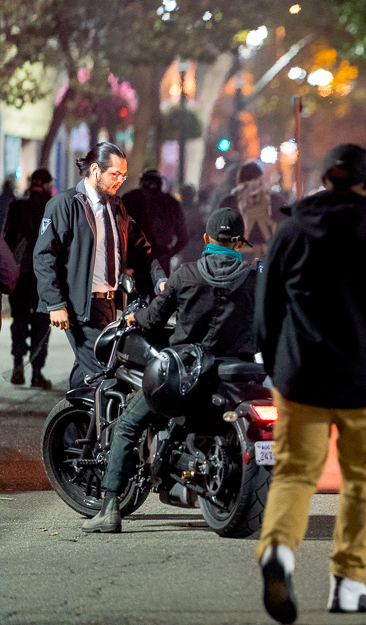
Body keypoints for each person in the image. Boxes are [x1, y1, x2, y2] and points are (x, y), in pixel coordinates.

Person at [255, 144, 366, 622]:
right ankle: (348, 584)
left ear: (325, 181)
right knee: (360, 482)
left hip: (301, 376)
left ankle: (279, 554)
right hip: (364, 378)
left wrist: (275, 367)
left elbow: (266, 312)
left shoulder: (290, 233)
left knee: (293, 474)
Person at [83, 207, 258, 533]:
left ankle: (109, 510)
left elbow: (152, 322)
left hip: (186, 378)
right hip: (236, 376)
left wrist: (135, 318)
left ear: (206, 239)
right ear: (239, 244)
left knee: (125, 425)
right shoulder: (254, 279)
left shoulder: (186, 275)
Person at [33, 143, 166, 390]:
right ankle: (106, 428)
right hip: (79, 306)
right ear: (95, 170)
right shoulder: (65, 205)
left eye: (123, 175)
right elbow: (44, 256)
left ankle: (69, 426)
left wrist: (159, 278)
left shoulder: (116, 206)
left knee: (84, 374)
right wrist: (55, 303)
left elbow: (140, 248)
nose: (120, 180)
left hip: (107, 303)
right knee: (104, 372)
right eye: (115, 174)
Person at [3, 169, 54, 388]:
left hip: (20, 275)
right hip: (45, 276)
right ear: (47, 184)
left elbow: (7, 240)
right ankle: (35, 372)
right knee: (41, 322)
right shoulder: (55, 208)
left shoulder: (17, 207)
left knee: (20, 319)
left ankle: (17, 365)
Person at [121, 168, 188, 275]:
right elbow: (183, 236)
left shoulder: (129, 199)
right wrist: (169, 253)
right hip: (156, 259)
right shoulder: (171, 203)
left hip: (137, 258)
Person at [220, 160, 285, 264]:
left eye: (255, 180)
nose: (253, 185)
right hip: (243, 259)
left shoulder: (275, 202)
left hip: (263, 258)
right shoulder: (230, 203)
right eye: (249, 180)